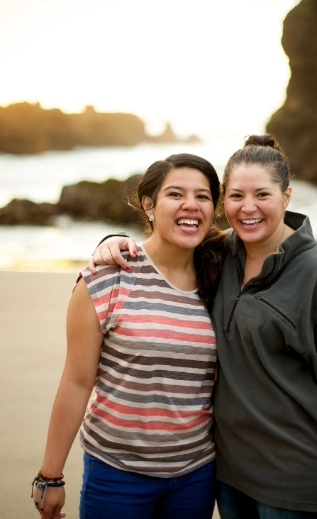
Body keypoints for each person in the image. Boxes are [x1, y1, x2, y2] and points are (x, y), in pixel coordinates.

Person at [91, 135, 317, 519]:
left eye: (262, 195)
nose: (248, 207)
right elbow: (166, 243)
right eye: (237, 196)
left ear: (287, 197)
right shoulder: (219, 253)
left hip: (292, 485)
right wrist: (113, 242)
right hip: (227, 480)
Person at [33, 153, 226, 519]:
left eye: (202, 196)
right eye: (176, 194)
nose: (191, 204)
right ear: (148, 205)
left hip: (196, 475)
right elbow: (76, 381)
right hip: (116, 474)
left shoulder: (224, 275)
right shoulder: (107, 277)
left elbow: (268, 226)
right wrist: (50, 475)